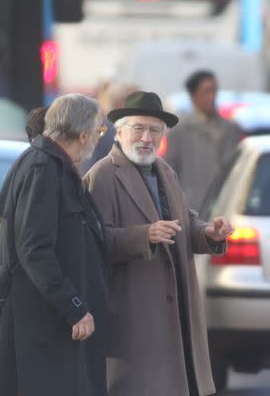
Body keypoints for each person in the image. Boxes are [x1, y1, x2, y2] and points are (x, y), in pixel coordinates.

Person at [83, 90, 235, 396]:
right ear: (120, 131)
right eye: (138, 129)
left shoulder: (164, 170)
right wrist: (144, 235)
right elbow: (91, 243)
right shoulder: (102, 176)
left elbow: (184, 220)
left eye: (154, 131)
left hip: (176, 312)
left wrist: (208, 233)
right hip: (134, 316)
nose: (146, 138)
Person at [0, 93, 108, 396]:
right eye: (99, 131)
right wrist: (74, 308)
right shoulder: (41, 168)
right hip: (42, 331)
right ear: (83, 135)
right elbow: (35, 250)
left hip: (52, 329)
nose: (98, 137)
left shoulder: (54, 165)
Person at [164, 70, 241, 211]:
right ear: (194, 96)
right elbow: (169, 173)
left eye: (214, 91)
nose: (212, 97)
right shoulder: (181, 131)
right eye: (207, 92)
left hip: (225, 207)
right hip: (193, 209)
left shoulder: (230, 128)